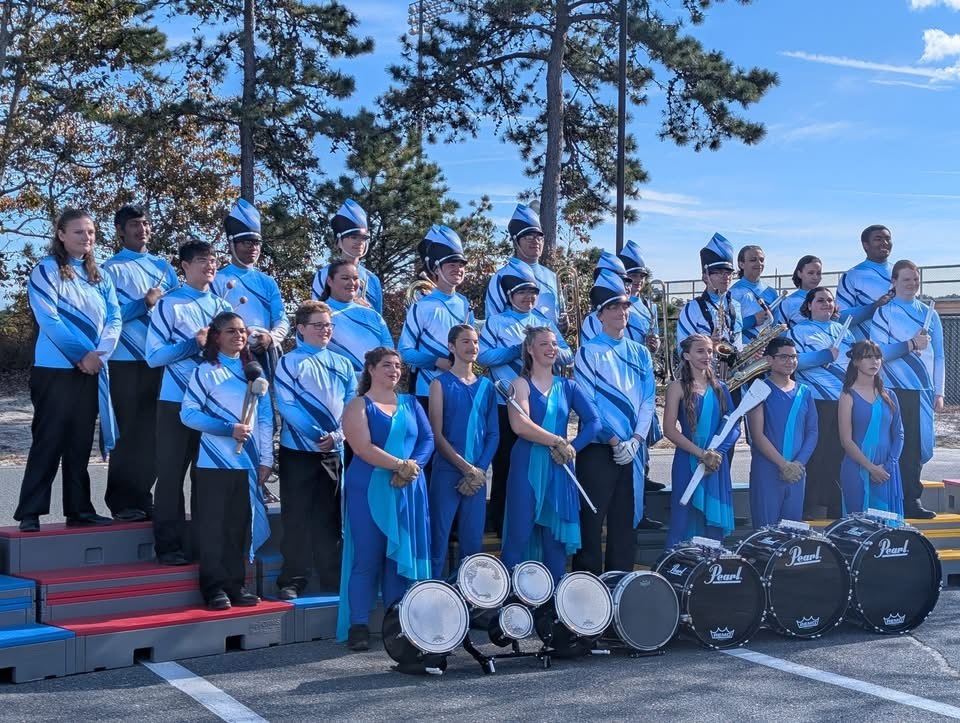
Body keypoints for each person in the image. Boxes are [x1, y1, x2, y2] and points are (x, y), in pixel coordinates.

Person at [15, 209, 121, 532]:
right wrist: (81, 354)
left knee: (79, 442)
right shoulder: (46, 270)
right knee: (49, 438)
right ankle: (30, 511)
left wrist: (99, 355)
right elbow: (50, 320)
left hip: (91, 370)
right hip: (56, 369)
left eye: (90, 232)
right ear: (61, 235)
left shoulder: (100, 276)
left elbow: (115, 319)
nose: (86, 238)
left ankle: (80, 509)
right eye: (78, 232)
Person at [338, 347, 434, 652]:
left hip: (407, 486)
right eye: (386, 365)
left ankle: (396, 624)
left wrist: (413, 465)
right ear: (370, 369)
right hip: (370, 486)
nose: (394, 370)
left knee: (397, 560)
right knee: (367, 559)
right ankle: (358, 625)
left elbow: (427, 439)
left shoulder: (411, 403)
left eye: (397, 366)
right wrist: (399, 465)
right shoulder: (357, 406)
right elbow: (363, 448)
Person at [146, 240, 232, 565]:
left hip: (213, 404)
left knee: (206, 477)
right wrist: (190, 344)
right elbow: (153, 357)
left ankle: (201, 547)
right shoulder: (170, 304)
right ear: (184, 266)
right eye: (201, 261)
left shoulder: (222, 306)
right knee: (170, 476)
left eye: (212, 261)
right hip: (175, 402)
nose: (209, 267)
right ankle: (167, 547)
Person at [180, 312, 272, 610]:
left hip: (247, 462)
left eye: (243, 331)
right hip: (213, 462)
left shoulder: (255, 373)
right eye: (231, 331)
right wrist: (227, 428)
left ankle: (236, 584)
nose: (239, 336)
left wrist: (266, 459)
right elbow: (188, 414)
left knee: (238, 527)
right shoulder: (205, 371)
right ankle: (213, 588)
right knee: (212, 527)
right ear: (216, 336)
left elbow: (266, 420)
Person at [500, 327, 601, 584]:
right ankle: (510, 601)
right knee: (518, 535)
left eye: (554, 344)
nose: (551, 348)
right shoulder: (519, 384)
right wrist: (558, 441)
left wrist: (573, 448)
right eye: (544, 343)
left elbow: (594, 423)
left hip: (559, 466)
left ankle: (551, 606)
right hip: (528, 463)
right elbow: (520, 426)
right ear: (530, 350)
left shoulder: (568, 386)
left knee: (554, 540)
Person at [478, 260, 572, 535]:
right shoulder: (496, 322)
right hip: (504, 402)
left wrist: (544, 350)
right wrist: (516, 350)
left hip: (542, 404)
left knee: (539, 462)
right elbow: (483, 356)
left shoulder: (544, 322)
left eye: (532, 291)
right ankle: (500, 522)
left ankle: (538, 518)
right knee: (505, 464)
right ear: (510, 296)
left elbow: (567, 354)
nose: (528, 297)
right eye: (521, 292)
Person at [574, 272, 657, 574]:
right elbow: (587, 404)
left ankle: (620, 583)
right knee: (592, 520)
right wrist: (614, 440)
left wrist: (636, 439)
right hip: (600, 448)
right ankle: (589, 587)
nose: (621, 312)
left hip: (633, 448)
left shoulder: (641, 352)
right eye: (613, 307)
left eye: (624, 306)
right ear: (600, 314)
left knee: (626, 520)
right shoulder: (587, 352)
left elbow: (648, 399)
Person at [273, 301, 357, 599]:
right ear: (300, 329)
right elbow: (286, 404)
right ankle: (293, 579)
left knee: (330, 517)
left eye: (328, 325)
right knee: (296, 516)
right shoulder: (289, 362)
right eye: (318, 325)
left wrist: (338, 436)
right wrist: (315, 434)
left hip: (333, 451)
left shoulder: (343, 363)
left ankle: (331, 577)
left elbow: (351, 405)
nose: (325, 330)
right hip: (297, 451)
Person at [102, 204, 178, 522]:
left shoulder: (164, 267)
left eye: (146, 223)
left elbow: (178, 308)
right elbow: (108, 316)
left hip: (158, 360)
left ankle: (143, 496)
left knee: (153, 434)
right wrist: (142, 304)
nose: (142, 229)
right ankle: (121, 502)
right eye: (134, 224)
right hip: (124, 360)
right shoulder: (109, 269)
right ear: (120, 230)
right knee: (128, 432)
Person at [871, 259, 942, 519]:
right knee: (898, 446)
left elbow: (940, 356)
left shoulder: (930, 313)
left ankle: (912, 498)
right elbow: (878, 353)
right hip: (893, 387)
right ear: (894, 282)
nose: (912, 284)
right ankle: (898, 500)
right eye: (906, 279)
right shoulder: (885, 312)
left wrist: (939, 391)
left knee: (921, 447)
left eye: (915, 279)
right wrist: (911, 343)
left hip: (922, 390)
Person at [428, 324, 499, 578]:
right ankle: (432, 595)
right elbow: (436, 435)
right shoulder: (439, 383)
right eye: (466, 342)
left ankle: (469, 602)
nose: (472, 347)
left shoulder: (487, 387)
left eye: (476, 342)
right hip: (447, 472)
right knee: (438, 539)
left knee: (472, 546)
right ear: (451, 346)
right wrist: (465, 468)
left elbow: (493, 434)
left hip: (477, 478)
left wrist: (478, 470)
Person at [662, 334, 739, 548]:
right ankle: (674, 570)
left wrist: (716, 453)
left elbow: (734, 426)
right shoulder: (676, 387)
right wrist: (701, 453)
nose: (708, 356)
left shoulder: (721, 387)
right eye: (700, 351)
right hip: (688, 461)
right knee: (681, 519)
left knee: (712, 523)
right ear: (686, 355)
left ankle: (710, 572)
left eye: (710, 351)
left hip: (714, 463)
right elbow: (669, 430)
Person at [789, 287, 855, 519]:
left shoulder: (843, 330)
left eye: (829, 300)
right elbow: (794, 362)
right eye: (820, 300)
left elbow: (854, 361)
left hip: (842, 400)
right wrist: (824, 356)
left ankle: (836, 508)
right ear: (808, 305)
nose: (826, 303)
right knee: (814, 454)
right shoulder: (798, 331)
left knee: (839, 455)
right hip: (814, 400)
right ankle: (810, 507)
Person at [212, 199, 290, 379]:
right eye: (247, 242)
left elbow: (282, 319)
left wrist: (271, 337)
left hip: (266, 355)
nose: (253, 248)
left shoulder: (268, 282)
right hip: (229, 356)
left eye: (256, 243)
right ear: (232, 244)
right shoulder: (217, 279)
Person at [746, 338, 818, 528]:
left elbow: (812, 432)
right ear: (769, 360)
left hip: (797, 471)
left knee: (791, 531)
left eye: (794, 357)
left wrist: (797, 464)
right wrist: (783, 464)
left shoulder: (805, 391)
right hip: (768, 469)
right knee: (765, 531)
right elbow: (757, 435)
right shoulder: (759, 390)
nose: (790, 361)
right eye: (784, 357)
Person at [398, 224, 473, 403]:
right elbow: (404, 351)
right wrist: (437, 361)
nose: (458, 269)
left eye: (461, 264)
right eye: (451, 264)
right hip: (426, 389)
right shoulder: (421, 307)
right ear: (437, 269)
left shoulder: (464, 303)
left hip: (460, 386)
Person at [617, 241, 666, 493]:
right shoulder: (615, 302)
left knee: (645, 427)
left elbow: (653, 343)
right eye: (633, 275)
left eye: (641, 275)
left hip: (643, 374)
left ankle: (644, 474)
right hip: (623, 375)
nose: (638, 280)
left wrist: (654, 344)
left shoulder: (649, 306)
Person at [838, 341, 904, 517]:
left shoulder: (890, 395)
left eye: (877, 357)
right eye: (868, 357)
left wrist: (889, 466)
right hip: (857, 466)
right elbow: (846, 440)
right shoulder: (847, 395)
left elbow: (899, 434)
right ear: (856, 362)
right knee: (858, 525)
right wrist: (871, 468)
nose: (874, 361)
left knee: (886, 528)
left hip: (886, 470)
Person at [485, 204, 565, 328]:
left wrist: (563, 326)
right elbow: (491, 322)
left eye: (539, 237)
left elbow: (558, 315)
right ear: (515, 242)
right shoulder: (500, 278)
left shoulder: (553, 276)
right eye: (529, 237)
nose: (536, 241)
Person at [317, 259, 393, 375]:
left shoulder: (373, 315)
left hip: (373, 387)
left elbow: (389, 354)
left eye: (355, 278)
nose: (352, 283)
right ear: (329, 281)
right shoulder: (315, 315)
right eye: (345, 278)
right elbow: (313, 356)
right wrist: (358, 376)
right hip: (335, 387)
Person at [676, 233, 742, 357]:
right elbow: (682, 350)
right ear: (705, 276)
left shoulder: (735, 306)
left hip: (733, 373)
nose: (725, 277)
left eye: (728, 272)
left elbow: (738, 345)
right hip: (703, 374)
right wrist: (708, 344)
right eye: (718, 272)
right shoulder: (692, 308)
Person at [312, 199, 383, 312]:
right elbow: (314, 313)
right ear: (339, 241)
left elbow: (379, 319)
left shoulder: (373, 280)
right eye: (353, 237)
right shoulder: (324, 275)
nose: (359, 242)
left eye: (363, 238)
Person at [836, 225, 895, 341]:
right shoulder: (852, 275)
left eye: (888, 239)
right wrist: (873, 308)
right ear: (865, 245)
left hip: (899, 347)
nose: (884, 242)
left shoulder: (901, 273)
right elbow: (841, 317)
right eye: (878, 239)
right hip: (866, 350)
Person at [730, 245, 779, 344]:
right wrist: (753, 320)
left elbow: (775, 326)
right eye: (753, 260)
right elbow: (727, 327)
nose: (759, 263)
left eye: (761, 260)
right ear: (741, 264)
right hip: (742, 351)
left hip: (766, 351)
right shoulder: (733, 292)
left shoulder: (771, 292)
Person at [776, 255, 822, 329]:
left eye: (818, 273)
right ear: (799, 273)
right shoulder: (788, 302)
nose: (815, 277)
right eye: (810, 273)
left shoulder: (828, 302)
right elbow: (778, 331)